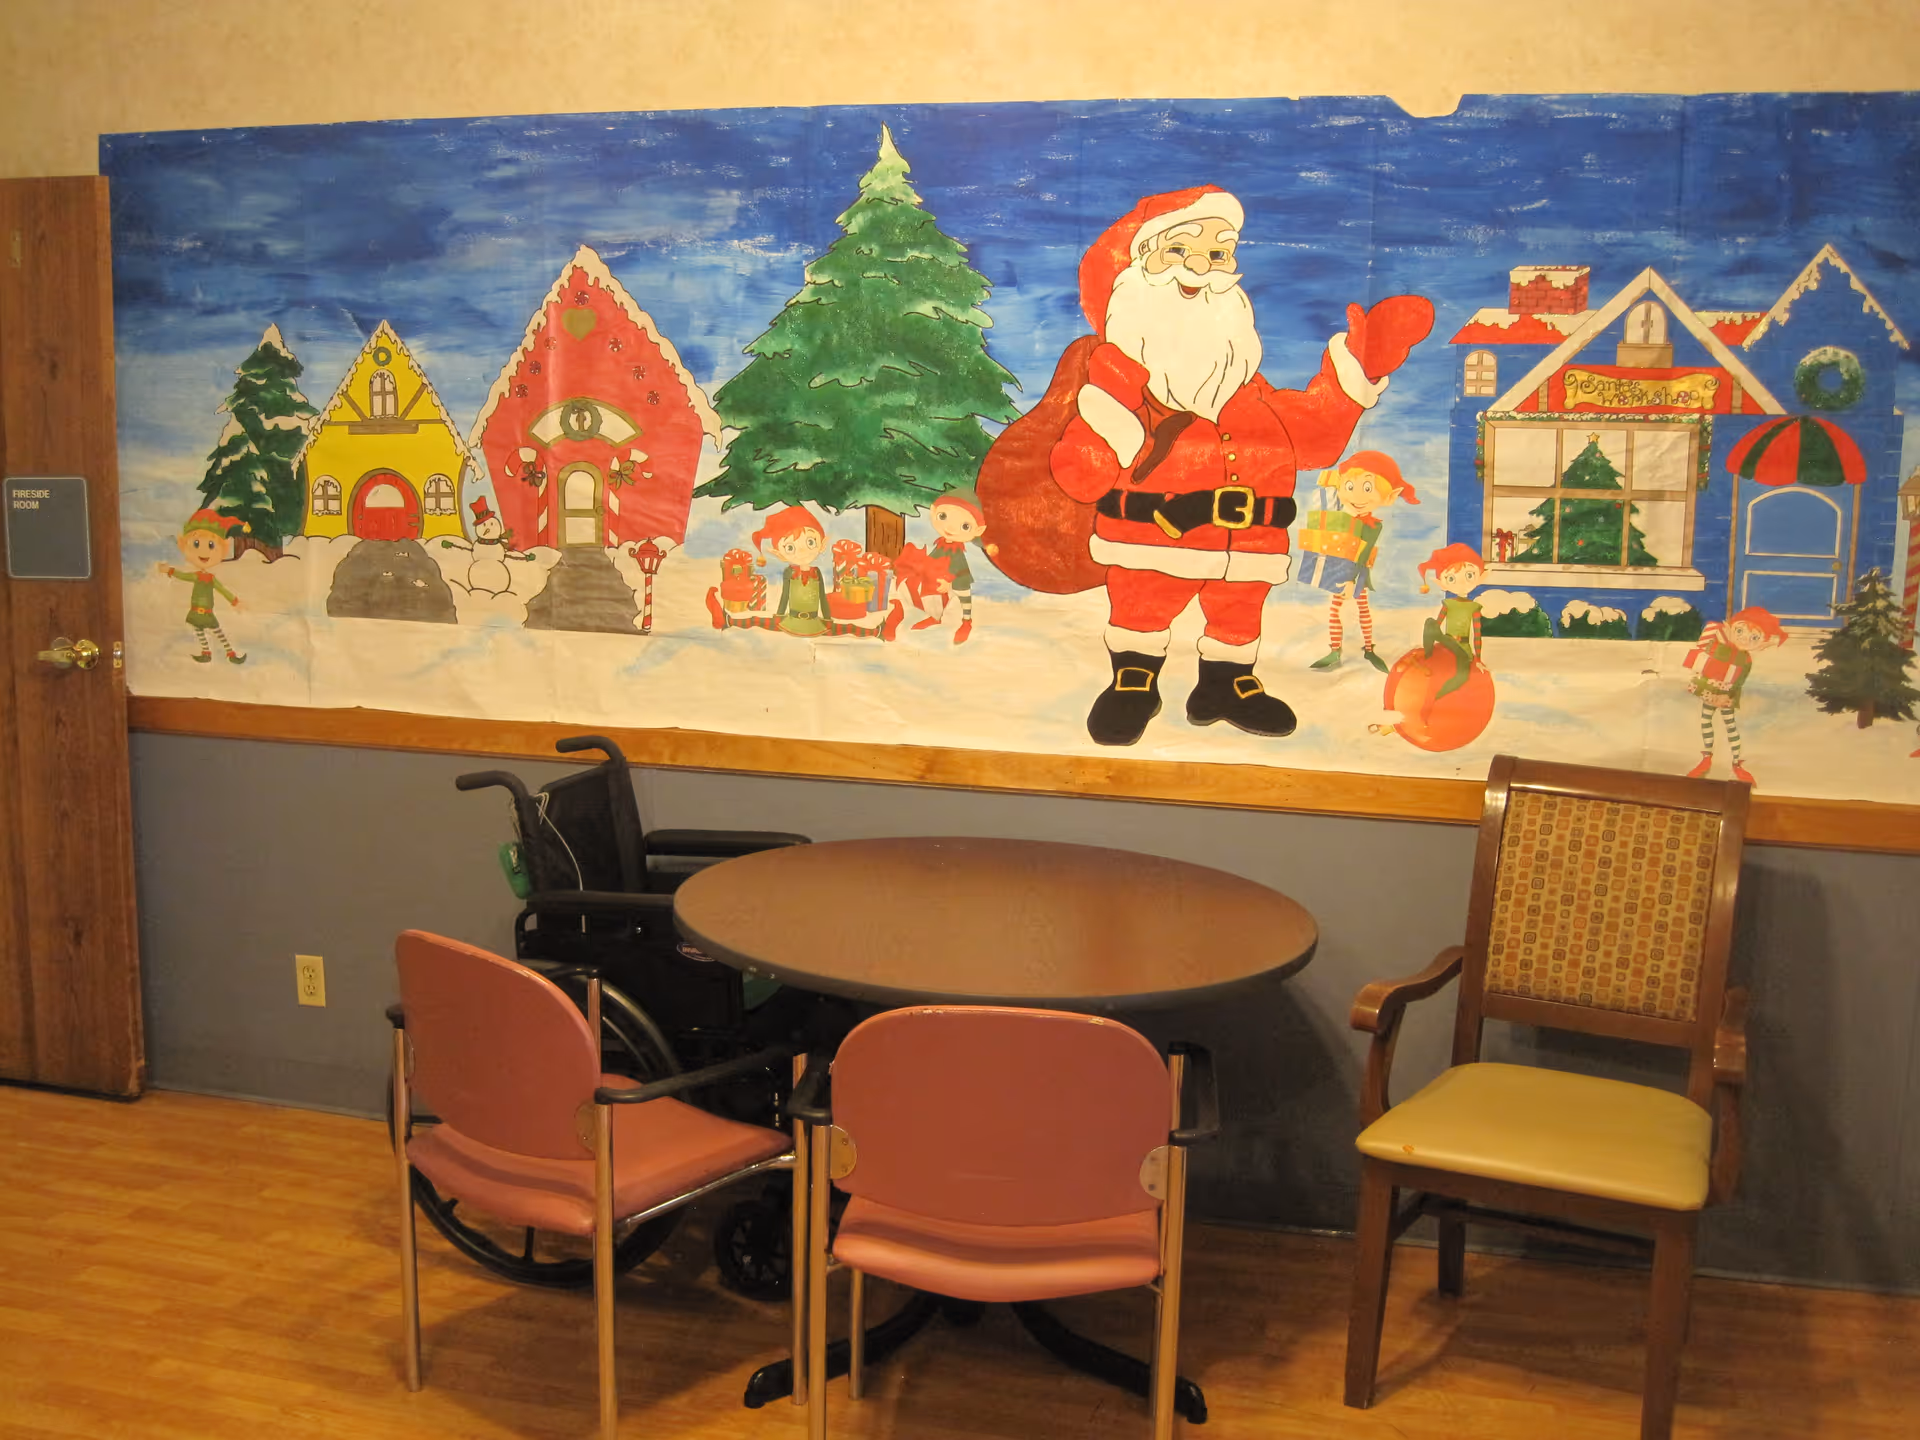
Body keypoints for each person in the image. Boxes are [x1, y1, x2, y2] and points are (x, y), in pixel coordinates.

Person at [1046, 185, 1433, 745]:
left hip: (1246, 546)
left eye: (1219, 253)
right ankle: (1134, 679)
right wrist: (1107, 406)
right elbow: (1079, 476)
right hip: (1151, 538)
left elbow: (1317, 440)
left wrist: (1356, 371)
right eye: (1180, 251)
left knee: (1237, 613)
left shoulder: (1252, 396)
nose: (1201, 269)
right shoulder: (1118, 398)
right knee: (1142, 605)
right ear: (1136, 277)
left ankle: (1227, 683)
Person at [705, 504, 903, 640]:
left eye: (810, 542)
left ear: (822, 544)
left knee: (845, 629)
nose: (802, 551)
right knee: (760, 621)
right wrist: (781, 614)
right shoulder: (789, 573)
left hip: (815, 621)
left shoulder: (816, 572)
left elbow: (822, 599)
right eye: (790, 548)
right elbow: (784, 596)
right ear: (779, 554)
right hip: (791, 619)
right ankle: (726, 620)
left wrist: (826, 616)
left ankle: (881, 631)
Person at [1300, 451, 1418, 673]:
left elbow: (1362, 556)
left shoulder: (1372, 526)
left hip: (1356, 574)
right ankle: (1336, 650)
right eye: (1350, 487)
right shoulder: (1339, 517)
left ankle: (1368, 648)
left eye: (1367, 488)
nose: (1357, 497)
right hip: (1338, 571)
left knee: (1362, 609)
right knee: (1335, 609)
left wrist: (1351, 580)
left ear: (1389, 497)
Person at [1684, 606, 1786, 785]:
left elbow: (1739, 681)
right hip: (1709, 690)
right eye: (1740, 630)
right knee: (1705, 720)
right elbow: (1703, 661)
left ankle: (1736, 762)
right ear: (1730, 627)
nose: (1744, 638)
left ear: (1761, 644)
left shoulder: (1745, 659)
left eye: (1754, 637)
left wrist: (1727, 696)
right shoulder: (1718, 646)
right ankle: (1707, 756)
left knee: (1730, 725)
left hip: (1727, 695)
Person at [156, 509, 246, 663]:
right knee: (199, 632)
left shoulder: (210, 578)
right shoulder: (196, 576)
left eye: (211, 545)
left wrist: (234, 601)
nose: (203, 551)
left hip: (207, 613)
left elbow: (222, 589)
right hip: (196, 612)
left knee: (218, 633)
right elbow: (183, 576)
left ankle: (231, 654)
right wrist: (169, 570)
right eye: (196, 543)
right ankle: (206, 653)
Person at [911, 488, 998, 644]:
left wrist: (949, 581)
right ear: (933, 511)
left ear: (978, 530)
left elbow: (956, 566)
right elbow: (933, 558)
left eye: (965, 526)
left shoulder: (956, 550)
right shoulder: (942, 544)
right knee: (939, 599)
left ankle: (966, 622)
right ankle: (935, 618)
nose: (950, 528)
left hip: (958, 580)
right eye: (942, 516)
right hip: (941, 579)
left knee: (964, 600)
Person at [1416, 543, 1486, 716]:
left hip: (1462, 648)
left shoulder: (1474, 607)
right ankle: (1427, 656)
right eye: (1452, 579)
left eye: (1469, 575)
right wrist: (1431, 642)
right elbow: (1437, 624)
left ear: (1481, 577)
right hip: (1447, 641)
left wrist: (1478, 658)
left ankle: (1436, 699)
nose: (1462, 583)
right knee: (1430, 622)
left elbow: (1477, 634)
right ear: (1442, 584)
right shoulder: (1448, 603)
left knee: (1461, 677)